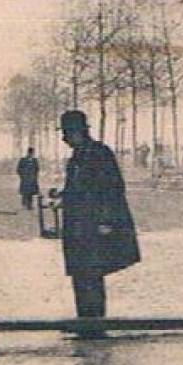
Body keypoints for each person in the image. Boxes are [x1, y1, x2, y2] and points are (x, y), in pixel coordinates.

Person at [57, 110, 140, 335]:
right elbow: (80, 188)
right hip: (78, 227)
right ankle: (85, 320)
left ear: (78, 132)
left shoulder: (99, 153)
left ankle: (94, 323)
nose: (64, 139)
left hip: (94, 226)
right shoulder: (78, 156)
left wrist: (106, 221)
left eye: (67, 133)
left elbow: (112, 188)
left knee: (92, 274)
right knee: (80, 274)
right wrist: (63, 195)